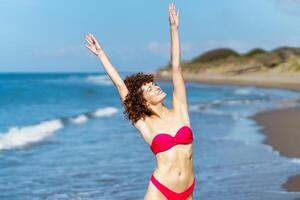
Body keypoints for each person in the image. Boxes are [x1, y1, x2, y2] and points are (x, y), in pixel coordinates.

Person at [85, 3, 195, 200]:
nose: (155, 87)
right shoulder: (145, 123)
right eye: (148, 89)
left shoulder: (180, 108)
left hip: (187, 190)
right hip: (161, 190)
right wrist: (101, 54)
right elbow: (121, 87)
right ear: (143, 102)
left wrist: (173, 29)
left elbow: (176, 67)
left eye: (152, 84)